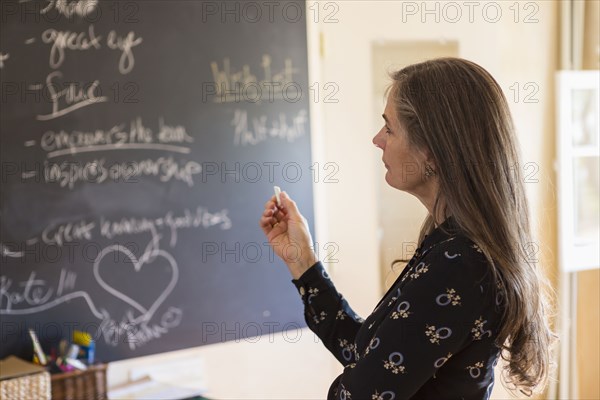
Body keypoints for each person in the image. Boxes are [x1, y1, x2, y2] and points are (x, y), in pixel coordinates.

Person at [260, 58, 553, 400]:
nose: (376, 139)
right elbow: (374, 357)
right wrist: (302, 261)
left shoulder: (460, 264)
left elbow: (360, 391)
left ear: (431, 151)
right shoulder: (449, 245)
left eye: (389, 128)